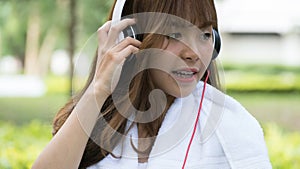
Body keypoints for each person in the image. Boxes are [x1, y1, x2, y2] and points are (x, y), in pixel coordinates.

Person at [32, 0, 272, 168]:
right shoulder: (95, 120)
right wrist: (99, 89)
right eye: (175, 34)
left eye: (205, 34)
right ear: (131, 37)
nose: (194, 54)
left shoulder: (232, 124)